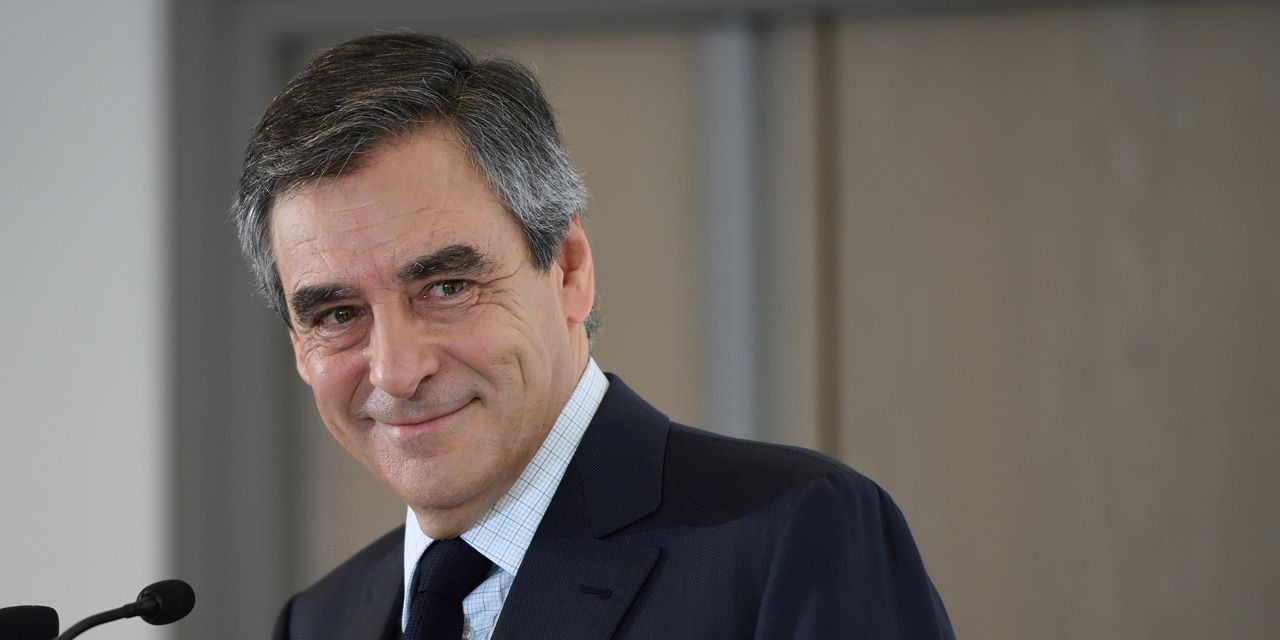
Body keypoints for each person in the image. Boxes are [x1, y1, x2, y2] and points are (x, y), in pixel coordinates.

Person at [233, 32, 954, 640]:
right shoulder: (317, 623)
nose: (395, 370)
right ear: (298, 343)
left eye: (447, 287)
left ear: (569, 268)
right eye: (337, 315)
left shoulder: (793, 536)